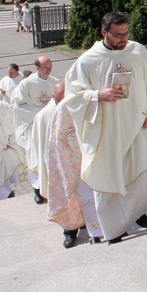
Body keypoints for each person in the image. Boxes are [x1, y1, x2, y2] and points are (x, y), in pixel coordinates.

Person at [64, 12, 147, 244]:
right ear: (104, 32)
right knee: (110, 180)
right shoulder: (88, 61)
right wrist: (97, 95)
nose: (123, 39)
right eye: (117, 35)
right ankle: (114, 230)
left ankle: (139, 212)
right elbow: (73, 97)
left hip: (139, 124)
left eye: (126, 33)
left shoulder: (138, 51)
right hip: (108, 131)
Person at [47, 82, 103, 248]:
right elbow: (62, 136)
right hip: (75, 159)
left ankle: (104, 229)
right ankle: (86, 232)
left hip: (95, 157)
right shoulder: (64, 107)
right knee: (85, 197)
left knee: (99, 195)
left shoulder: (90, 98)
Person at [11, 56, 59, 204]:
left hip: (52, 127)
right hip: (34, 128)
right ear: (37, 68)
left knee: (51, 158)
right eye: (46, 67)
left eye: (51, 66)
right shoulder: (26, 84)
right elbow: (17, 105)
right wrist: (41, 114)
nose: (49, 69)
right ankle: (37, 190)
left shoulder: (55, 82)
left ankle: (52, 188)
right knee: (36, 158)